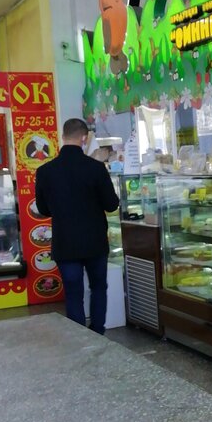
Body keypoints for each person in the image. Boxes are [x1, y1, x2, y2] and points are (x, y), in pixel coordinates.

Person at [34, 117, 119, 335]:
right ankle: (98, 332)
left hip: (65, 242)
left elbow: (43, 209)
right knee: (98, 287)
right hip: (95, 241)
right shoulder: (96, 168)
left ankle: (80, 338)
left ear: (63, 137)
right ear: (84, 138)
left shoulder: (45, 171)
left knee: (73, 293)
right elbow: (111, 204)